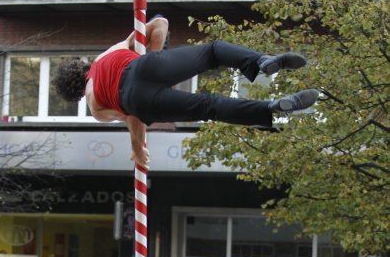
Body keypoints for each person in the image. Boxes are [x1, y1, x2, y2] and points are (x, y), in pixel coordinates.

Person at [54, 17, 318, 168]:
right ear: (82, 66)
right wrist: (158, 62)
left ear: (75, 93)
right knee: (213, 52)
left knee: (209, 106)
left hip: (140, 102)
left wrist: (137, 149)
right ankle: (261, 62)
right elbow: (160, 24)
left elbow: (133, 117)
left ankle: (269, 109)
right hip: (146, 67)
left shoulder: (95, 106)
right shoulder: (107, 54)